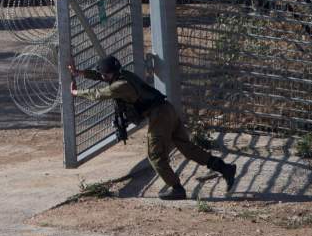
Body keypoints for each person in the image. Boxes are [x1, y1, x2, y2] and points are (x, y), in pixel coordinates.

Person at [68, 55, 237, 200]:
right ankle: (225, 168)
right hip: (168, 109)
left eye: (104, 74)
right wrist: (80, 73)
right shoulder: (124, 74)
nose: (102, 76)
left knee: (155, 155)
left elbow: (97, 94)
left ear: (110, 73)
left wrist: (76, 93)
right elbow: (100, 77)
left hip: (159, 116)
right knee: (187, 148)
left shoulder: (121, 86)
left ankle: (177, 189)